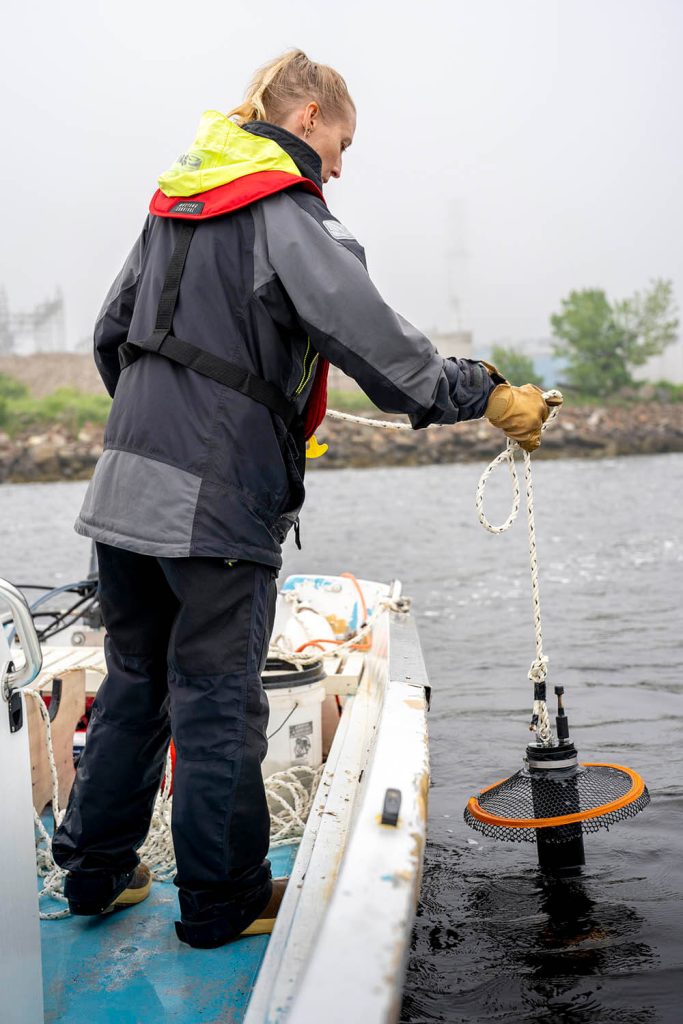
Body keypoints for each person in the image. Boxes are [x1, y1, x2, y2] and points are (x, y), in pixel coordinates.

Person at [52, 49, 558, 949]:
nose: (340, 165)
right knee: (214, 700)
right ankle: (221, 903)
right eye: (342, 143)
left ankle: (93, 876)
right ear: (312, 114)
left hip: (123, 487)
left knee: (133, 684)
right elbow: (380, 349)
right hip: (213, 508)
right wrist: (485, 392)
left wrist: (163, 422)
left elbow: (108, 337)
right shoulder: (281, 211)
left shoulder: (174, 206)